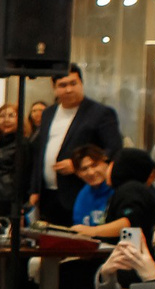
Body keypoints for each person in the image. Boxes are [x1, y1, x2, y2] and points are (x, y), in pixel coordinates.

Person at [29, 66, 122, 226]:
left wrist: (78, 165)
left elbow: (113, 149)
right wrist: (35, 189)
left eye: (73, 83)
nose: (69, 89)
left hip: (82, 193)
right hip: (48, 194)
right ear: (54, 88)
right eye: (63, 85)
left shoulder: (100, 113)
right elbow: (40, 153)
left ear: (81, 84)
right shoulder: (48, 113)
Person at [70, 148, 155, 241]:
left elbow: (129, 221)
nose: (91, 172)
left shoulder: (132, 189)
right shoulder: (124, 190)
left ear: (122, 167)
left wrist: (93, 231)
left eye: (112, 164)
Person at [69, 146, 113, 229]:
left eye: (94, 165)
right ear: (78, 174)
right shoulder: (83, 195)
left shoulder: (120, 189)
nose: (91, 172)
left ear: (105, 161)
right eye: (84, 169)